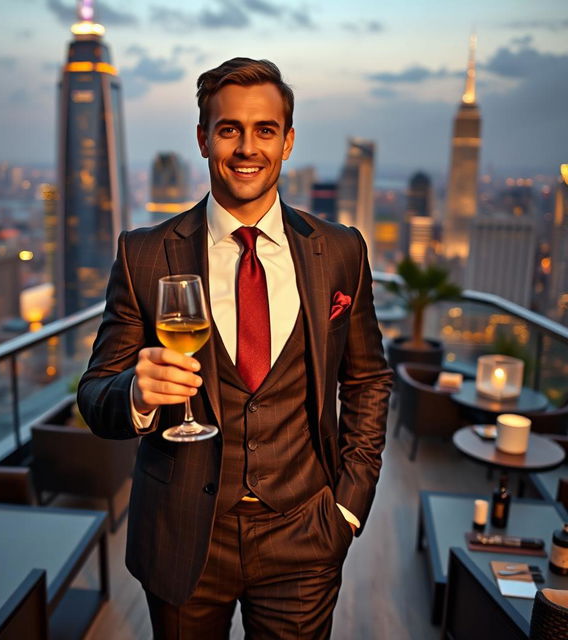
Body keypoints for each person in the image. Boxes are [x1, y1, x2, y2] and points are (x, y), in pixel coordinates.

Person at [78, 57, 393, 639]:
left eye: (265, 130)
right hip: (182, 534)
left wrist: (349, 503)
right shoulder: (144, 255)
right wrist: (136, 396)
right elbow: (96, 394)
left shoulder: (341, 250)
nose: (247, 148)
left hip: (305, 531)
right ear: (203, 139)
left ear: (288, 141)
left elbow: (369, 379)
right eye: (229, 130)